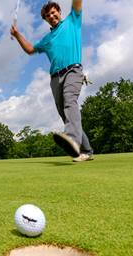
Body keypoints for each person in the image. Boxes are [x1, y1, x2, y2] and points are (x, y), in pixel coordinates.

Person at [11, 0, 94, 162]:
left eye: (53, 12)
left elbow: (77, 3)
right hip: (55, 77)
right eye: (47, 15)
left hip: (73, 70)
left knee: (70, 102)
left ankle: (73, 141)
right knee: (66, 114)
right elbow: (29, 50)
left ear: (59, 12)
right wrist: (17, 35)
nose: (51, 15)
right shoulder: (46, 39)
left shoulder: (72, 21)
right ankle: (87, 150)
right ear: (45, 19)